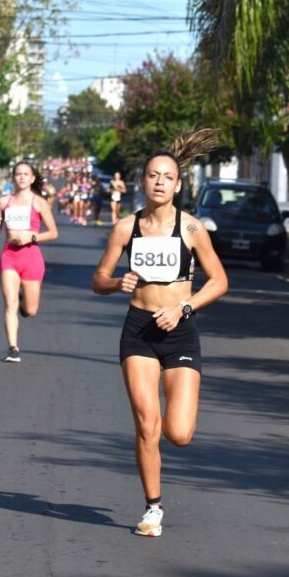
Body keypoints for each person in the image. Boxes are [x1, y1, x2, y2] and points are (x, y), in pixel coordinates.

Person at [91, 131, 228, 538]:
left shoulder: (192, 230)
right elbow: (97, 279)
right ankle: (153, 507)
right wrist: (117, 284)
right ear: (142, 181)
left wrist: (185, 306)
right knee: (148, 425)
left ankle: (161, 476)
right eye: (153, 175)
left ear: (178, 184)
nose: (159, 182)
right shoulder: (124, 228)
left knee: (179, 433)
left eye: (167, 176)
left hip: (181, 331)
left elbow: (219, 281)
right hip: (138, 331)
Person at [0, 160, 59, 362]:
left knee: (30, 310)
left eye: (25, 174)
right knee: (9, 303)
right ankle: (13, 348)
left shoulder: (39, 202)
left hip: (31, 257)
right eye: (18, 174)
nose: (21, 177)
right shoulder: (4, 202)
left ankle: (24, 302)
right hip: (10, 255)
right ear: (13, 177)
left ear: (32, 178)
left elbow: (54, 232)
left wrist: (33, 237)